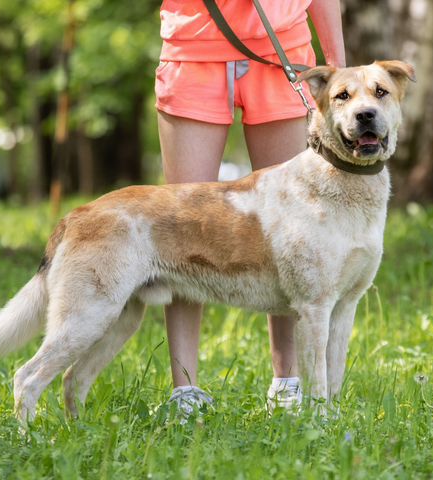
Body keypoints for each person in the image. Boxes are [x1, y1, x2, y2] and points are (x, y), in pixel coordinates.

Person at [155, 0, 345, 415]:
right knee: (185, 229)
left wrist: (337, 66)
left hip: (282, 55)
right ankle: (184, 390)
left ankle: (288, 383)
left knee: (293, 228)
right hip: (193, 50)